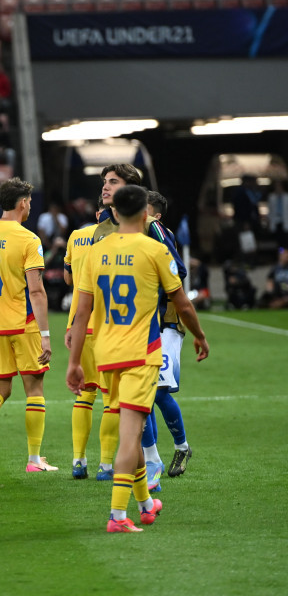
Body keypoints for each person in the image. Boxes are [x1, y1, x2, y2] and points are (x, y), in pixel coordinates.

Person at [66, 185, 209, 533]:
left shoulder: (95, 252)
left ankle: (146, 504)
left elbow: (82, 311)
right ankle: (117, 516)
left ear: (114, 212)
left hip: (104, 352)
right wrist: (200, 336)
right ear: (145, 213)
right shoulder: (154, 249)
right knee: (131, 435)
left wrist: (74, 362)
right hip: (140, 354)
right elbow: (182, 302)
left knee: (135, 427)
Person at [0, 178, 59, 474]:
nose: (29, 206)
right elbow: (37, 291)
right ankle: (34, 459)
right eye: (28, 202)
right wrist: (45, 335)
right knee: (35, 388)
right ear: (21, 204)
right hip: (23, 322)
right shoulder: (28, 239)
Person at [140, 191, 194, 492]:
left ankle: (182, 446)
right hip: (146, 325)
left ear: (155, 215)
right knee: (144, 394)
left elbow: (177, 273)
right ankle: (153, 458)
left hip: (167, 323)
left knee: (157, 393)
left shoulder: (159, 232)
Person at [64, 197, 118, 480]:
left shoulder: (76, 236)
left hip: (80, 326)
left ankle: (78, 461)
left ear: (97, 213)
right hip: (111, 327)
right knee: (111, 399)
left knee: (84, 395)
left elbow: (68, 279)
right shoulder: (121, 240)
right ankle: (106, 466)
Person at [267, 180, 288, 247]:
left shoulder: (286, 197)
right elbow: (270, 211)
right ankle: (281, 254)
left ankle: (285, 255)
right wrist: (269, 221)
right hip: (276, 221)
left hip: (285, 221)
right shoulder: (271, 197)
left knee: (286, 241)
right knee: (279, 242)